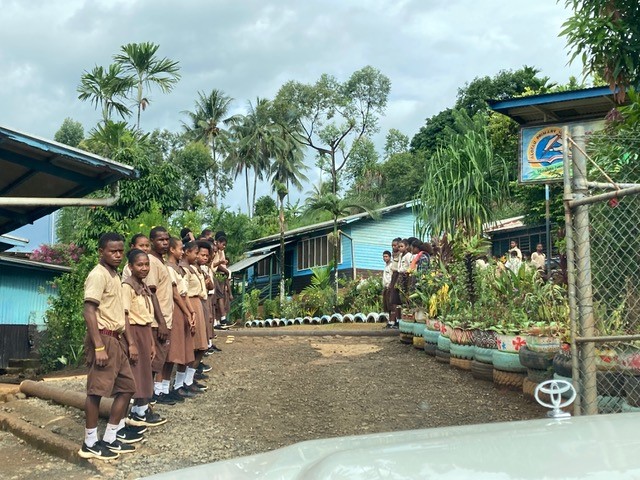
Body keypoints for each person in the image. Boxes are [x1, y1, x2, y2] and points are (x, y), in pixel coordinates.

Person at [79, 232, 137, 460]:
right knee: (96, 391)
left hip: (116, 338)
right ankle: (89, 442)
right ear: (101, 251)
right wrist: (98, 346)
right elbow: (89, 311)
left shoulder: (114, 275)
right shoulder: (98, 275)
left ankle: (110, 437)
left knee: (127, 387)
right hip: (103, 337)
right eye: (113, 251)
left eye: (121, 251)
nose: (118, 255)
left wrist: (128, 342)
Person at [123, 249, 168, 427]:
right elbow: (125, 316)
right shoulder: (127, 287)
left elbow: (147, 317)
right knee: (136, 373)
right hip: (133, 332)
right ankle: (136, 412)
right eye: (139, 265)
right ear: (130, 267)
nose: (144, 268)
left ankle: (140, 409)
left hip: (145, 331)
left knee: (145, 372)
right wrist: (131, 343)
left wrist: (151, 343)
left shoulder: (143, 287)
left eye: (147, 264)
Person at [165, 237, 198, 400]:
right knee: (174, 351)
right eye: (180, 249)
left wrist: (191, 312)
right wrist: (187, 312)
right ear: (172, 250)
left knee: (184, 349)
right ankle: (165, 389)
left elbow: (184, 294)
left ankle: (179, 385)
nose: (182, 252)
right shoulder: (169, 268)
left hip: (183, 308)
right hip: (176, 310)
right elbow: (176, 295)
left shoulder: (177, 268)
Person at [146, 227, 174, 405]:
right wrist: (161, 322)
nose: (165, 243)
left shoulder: (160, 261)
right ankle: (145, 401)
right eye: (160, 240)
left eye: (166, 239)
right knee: (152, 364)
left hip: (164, 318)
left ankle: (151, 396)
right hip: (157, 321)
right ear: (151, 241)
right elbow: (151, 293)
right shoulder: (151, 262)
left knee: (158, 362)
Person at [178, 241, 209, 394]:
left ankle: (188, 379)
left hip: (197, 303)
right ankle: (181, 382)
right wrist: (190, 312)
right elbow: (183, 293)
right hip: (191, 305)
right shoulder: (183, 269)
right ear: (187, 252)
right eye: (196, 253)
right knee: (192, 348)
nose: (197, 256)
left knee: (201, 346)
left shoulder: (193, 268)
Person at [381, 250, 393, 328]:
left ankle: (392, 322)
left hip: (390, 287)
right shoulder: (386, 266)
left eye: (386, 256)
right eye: (384, 256)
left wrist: (390, 286)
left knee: (390, 305)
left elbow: (392, 277)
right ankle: (389, 322)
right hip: (385, 287)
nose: (385, 258)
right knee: (386, 306)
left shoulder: (391, 266)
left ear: (390, 257)